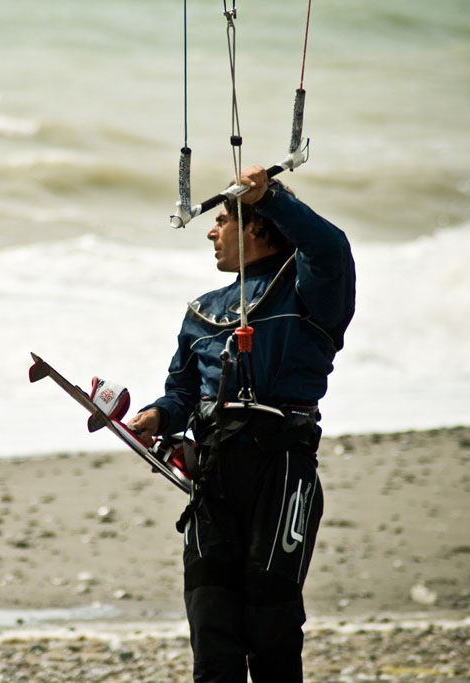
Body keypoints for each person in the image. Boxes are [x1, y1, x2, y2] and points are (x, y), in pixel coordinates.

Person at [128, 164, 356, 682]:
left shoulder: (309, 291)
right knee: (212, 626)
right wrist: (157, 416)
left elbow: (331, 247)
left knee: (270, 621)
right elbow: (183, 392)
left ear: (255, 226)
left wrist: (270, 196)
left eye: (222, 222)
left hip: (280, 470)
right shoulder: (201, 311)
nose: (210, 231)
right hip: (214, 479)